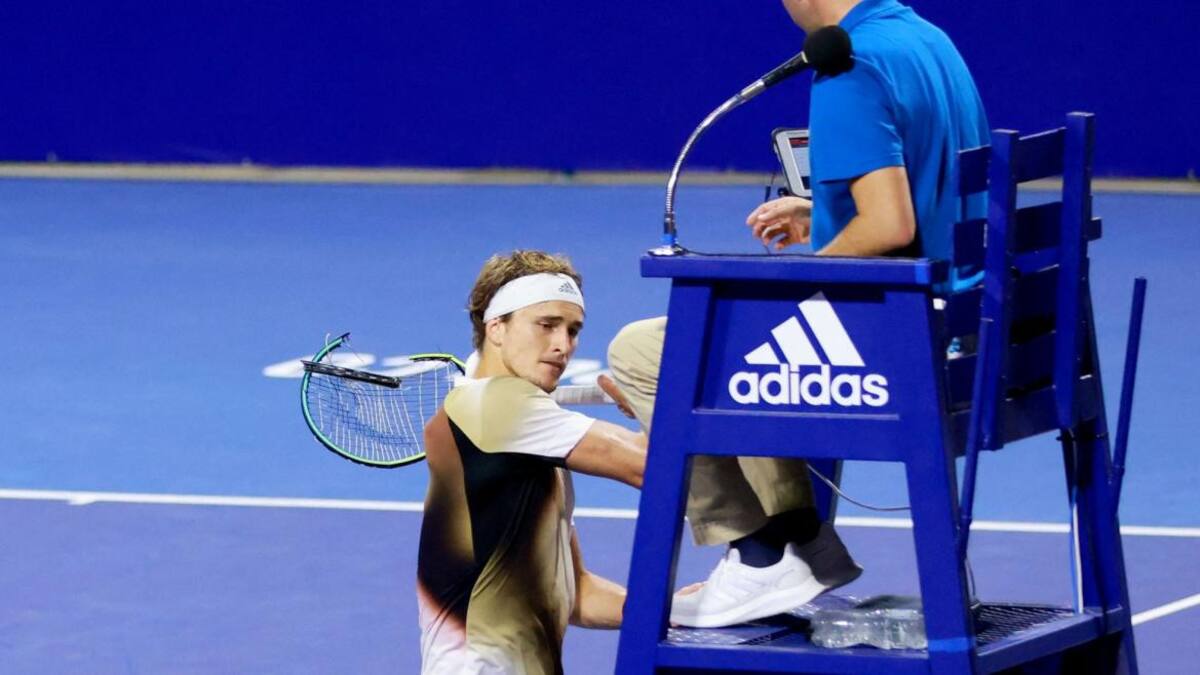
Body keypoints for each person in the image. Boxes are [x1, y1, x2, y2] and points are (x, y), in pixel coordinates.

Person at [604, 0, 989, 628]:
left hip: (903, 349)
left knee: (651, 351)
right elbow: (926, 192)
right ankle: (806, 543)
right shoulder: (927, 41)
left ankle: (761, 552)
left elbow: (890, 225)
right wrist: (824, 215)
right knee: (747, 331)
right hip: (968, 327)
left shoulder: (848, 64)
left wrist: (797, 279)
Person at [417, 250, 646, 674]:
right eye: (546, 325)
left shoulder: (520, 429)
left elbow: (576, 593)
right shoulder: (497, 405)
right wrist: (657, 399)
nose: (564, 345)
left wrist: (675, 610)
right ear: (496, 327)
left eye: (573, 330)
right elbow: (650, 468)